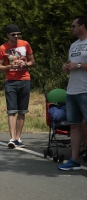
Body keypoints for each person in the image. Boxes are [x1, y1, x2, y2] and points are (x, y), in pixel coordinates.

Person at [0, 24, 35, 148]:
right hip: (10, 81)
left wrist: (25, 64)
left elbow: (32, 61)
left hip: (24, 79)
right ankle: (12, 138)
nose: (16, 36)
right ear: (8, 35)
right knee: (11, 110)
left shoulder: (25, 44)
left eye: (18, 34)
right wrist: (10, 67)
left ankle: (18, 138)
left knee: (22, 110)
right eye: (13, 34)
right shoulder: (3, 48)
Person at [59, 15, 87, 170]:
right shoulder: (74, 45)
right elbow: (72, 66)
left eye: (73, 26)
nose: (71, 28)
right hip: (72, 90)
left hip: (85, 90)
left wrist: (77, 66)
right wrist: (67, 68)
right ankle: (74, 159)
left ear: (82, 26)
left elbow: (78, 65)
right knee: (74, 126)